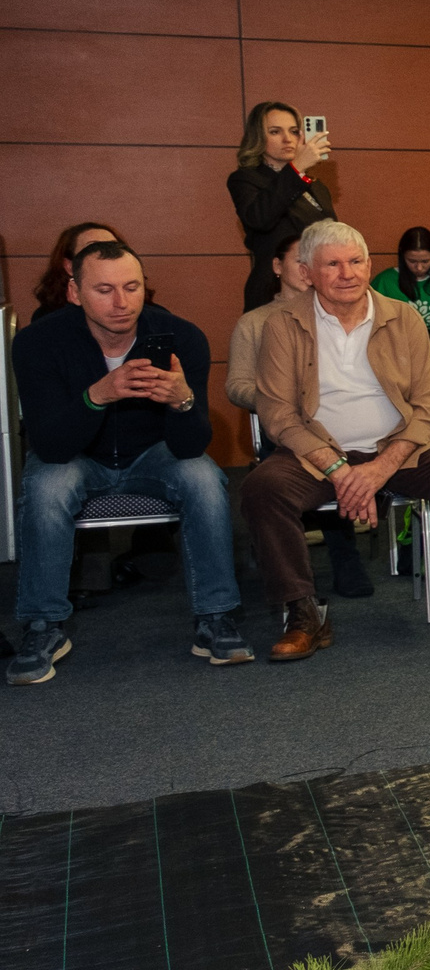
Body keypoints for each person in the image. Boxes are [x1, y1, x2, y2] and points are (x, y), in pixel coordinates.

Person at [242, 221, 430, 658]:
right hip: (318, 452)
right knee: (262, 487)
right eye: (332, 264)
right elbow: (278, 412)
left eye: (355, 262)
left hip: (396, 447)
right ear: (307, 271)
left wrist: (380, 468)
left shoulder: (402, 315)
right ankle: (301, 612)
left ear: (370, 265)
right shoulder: (281, 324)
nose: (347, 273)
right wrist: (339, 469)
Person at [8, 241, 252, 685]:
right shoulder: (38, 343)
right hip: (77, 454)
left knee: (203, 478)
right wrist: (97, 395)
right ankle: (43, 626)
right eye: (104, 289)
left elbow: (190, 446)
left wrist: (182, 402)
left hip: (153, 452)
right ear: (75, 293)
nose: (121, 302)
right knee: (45, 487)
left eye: (131, 287)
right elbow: (50, 445)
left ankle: (215, 617)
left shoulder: (182, 337)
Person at [231, 241, 373, 600]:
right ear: (278, 266)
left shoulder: (339, 313)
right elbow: (236, 385)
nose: (308, 266)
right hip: (283, 429)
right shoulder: (256, 322)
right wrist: (276, 398)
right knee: (304, 454)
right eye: (301, 260)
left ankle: (345, 556)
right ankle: (300, 589)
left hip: (338, 426)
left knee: (332, 442)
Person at [227, 100, 335, 310]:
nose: (288, 139)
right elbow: (260, 219)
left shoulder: (316, 186)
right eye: (275, 132)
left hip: (318, 290)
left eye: (294, 131)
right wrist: (296, 169)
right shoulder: (245, 179)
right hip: (274, 291)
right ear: (258, 138)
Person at [30, 222, 131, 321]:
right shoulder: (46, 320)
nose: (106, 257)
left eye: (113, 249)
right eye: (93, 250)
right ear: (69, 266)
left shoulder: (142, 312)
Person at [372, 227, 430, 339]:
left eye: (425, 261)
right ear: (402, 256)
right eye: (412, 261)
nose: (419, 267)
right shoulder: (384, 281)